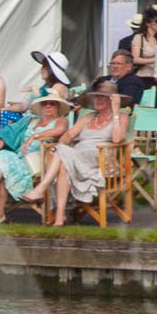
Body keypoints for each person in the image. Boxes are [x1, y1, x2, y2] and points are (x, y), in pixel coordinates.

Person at [26, 78, 129, 224]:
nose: (98, 100)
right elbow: (69, 134)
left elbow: (118, 139)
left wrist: (117, 112)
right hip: (78, 158)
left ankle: (41, 188)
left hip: (101, 160)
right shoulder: (89, 116)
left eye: (103, 97)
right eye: (97, 96)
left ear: (112, 100)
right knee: (62, 166)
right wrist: (61, 144)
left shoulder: (121, 117)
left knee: (61, 152)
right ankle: (60, 216)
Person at [0, 86, 72, 225]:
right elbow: (11, 130)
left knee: (3, 165)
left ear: (58, 107)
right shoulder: (31, 120)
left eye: (52, 103)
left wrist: (35, 136)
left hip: (40, 160)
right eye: (45, 103)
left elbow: (59, 131)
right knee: (3, 156)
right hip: (20, 157)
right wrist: (1, 138)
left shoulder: (61, 121)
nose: (48, 106)